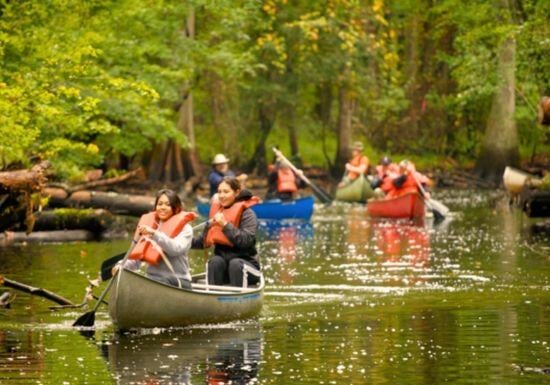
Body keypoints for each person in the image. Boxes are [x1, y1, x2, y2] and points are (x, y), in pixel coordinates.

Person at [117, 189, 196, 288]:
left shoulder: (186, 229)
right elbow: (136, 258)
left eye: (167, 204)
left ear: (175, 207)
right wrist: (121, 265)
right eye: (160, 204)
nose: (163, 207)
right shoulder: (150, 225)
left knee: (156, 282)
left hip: (178, 280)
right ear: (156, 207)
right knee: (128, 276)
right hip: (152, 279)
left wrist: (155, 234)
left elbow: (175, 249)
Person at [192, 177, 261, 287]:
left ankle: (238, 301)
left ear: (237, 192)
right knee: (215, 262)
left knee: (235, 264)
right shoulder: (217, 212)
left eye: (226, 192)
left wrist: (225, 225)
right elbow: (203, 241)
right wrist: (182, 239)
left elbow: (245, 241)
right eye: (219, 192)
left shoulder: (248, 214)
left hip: (246, 267)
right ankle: (213, 298)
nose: (222, 195)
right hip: (225, 268)